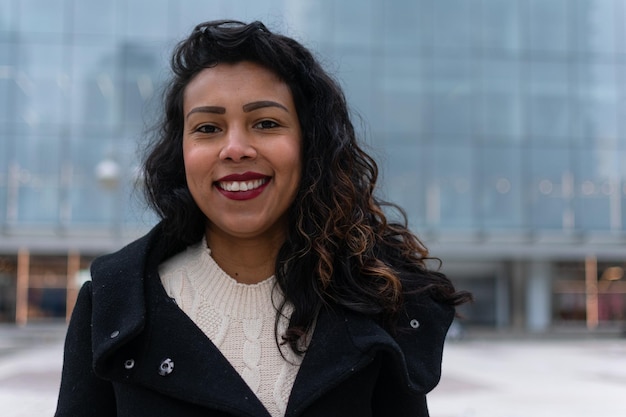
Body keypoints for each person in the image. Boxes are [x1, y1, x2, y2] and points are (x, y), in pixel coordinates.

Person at [55, 19, 471, 417]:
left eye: (266, 123)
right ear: (180, 153)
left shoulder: (378, 300)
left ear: (310, 144)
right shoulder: (112, 306)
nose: (235, 148)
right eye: (207, 128)